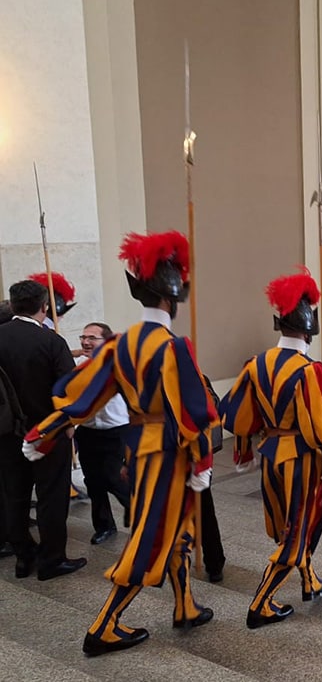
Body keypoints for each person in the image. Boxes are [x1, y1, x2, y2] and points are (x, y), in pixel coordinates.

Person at [25, 231, 216, 656]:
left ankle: (184, 605)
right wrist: (202, 462)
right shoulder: (173, 346)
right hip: (169, 452)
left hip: (139, 448)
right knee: (152, 537)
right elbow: (193, 412)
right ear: (173, 299)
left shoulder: (120, 344)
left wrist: (44, 432)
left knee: (177, 531)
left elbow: (83, 396)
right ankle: (104, 626)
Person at [221, 268, 322, 628]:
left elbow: (240, 412)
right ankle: (262, 602)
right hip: (302, 458)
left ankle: (309, 581)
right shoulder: (310, 369)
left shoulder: (256, 363)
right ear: (309, 329)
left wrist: (243, 448)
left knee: (289, 524)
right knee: (298, 531)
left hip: (270, 454)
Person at [0, 280, 85, 583]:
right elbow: (68, 391)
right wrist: (70, 425)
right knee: (51, 495)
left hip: (7, 433)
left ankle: (24, 557)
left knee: (15, 495)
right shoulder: (51, 342)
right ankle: (52, 560)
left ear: (12, 305)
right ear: (44, 307)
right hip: (47, 432)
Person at [74, 322, 130, 545]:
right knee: (93, 481)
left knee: (115, 479)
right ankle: (104, 526)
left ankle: (144, 516)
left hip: (115, 432)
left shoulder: (118, 366)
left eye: (92, 338)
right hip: (87, 432)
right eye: (83, 337)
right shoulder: (79, 365)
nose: (85, 342)